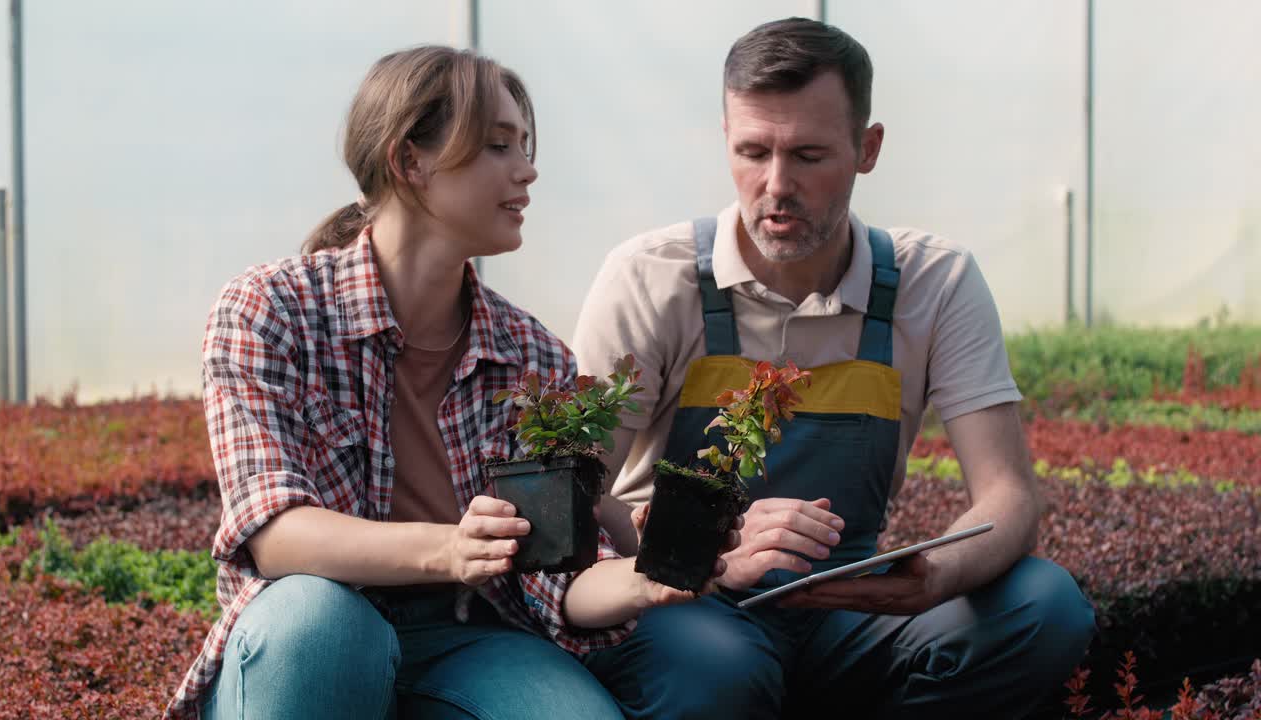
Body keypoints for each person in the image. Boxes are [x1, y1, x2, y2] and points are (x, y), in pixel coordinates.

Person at [165, 46, 729, 720]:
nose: (528, 169)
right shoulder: (270, 311)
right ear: (411, 162)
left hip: (469, 635)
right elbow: (276, 534)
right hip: (318, 623)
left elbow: (555, 573)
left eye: (524, 145)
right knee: (320, 624)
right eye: (498, 145)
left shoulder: (532, 358)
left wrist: (645, 576)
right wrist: (450, 548)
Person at [574, 17, 1096, 720]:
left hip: (848, 605)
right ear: (725, 139)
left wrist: (936, 575)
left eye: (808, 155)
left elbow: (1009, 497)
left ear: (867, 148)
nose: (776, 184)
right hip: (686, 598)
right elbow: (578, 493)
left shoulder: (934, 282)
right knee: (718, 674)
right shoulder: (650, 277)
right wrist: (712, 544)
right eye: (752, 152)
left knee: (1045, 607)